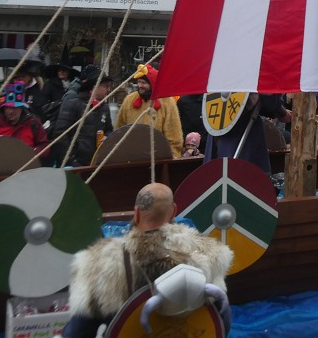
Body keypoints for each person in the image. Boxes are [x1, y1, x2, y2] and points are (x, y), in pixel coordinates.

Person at [63, 182, 234, 338]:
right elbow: (221, 323)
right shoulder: (209, 254)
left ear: (137, 213)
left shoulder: (99, 261)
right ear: (174, 212)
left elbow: (78, 333)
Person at [115, 64, 184, 158]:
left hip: (158, 158)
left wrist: (172, 158)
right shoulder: (129, 100)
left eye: (143, 83)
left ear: (152, 84)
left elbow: (175, 138)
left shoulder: (167, 102)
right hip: (131, 157)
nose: (140, 85)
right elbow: (119, 129)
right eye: (139, 82)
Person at [51, 73, 114, 167]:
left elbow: (109, 130)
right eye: (106, 86)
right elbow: (61, 135)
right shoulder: (74, 104)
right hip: (75, 163)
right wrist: (71, 160)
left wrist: (107, 138)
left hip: (97, 162)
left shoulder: (104, 107)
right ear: (95, 86)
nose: (108, 90)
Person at [0, 82, 50, 157]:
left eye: (14, 108)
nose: (10, 112)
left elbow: (44, 147)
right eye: (7, 108)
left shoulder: (33, 122)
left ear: (21, 108)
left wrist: (30, 152)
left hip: (26, 162)